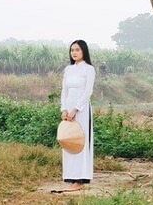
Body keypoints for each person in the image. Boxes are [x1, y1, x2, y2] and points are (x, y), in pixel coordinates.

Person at [59, 40, 96, 192]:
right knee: (68, 141)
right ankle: (70, 177)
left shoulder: (89, 69)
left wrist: (75, 109)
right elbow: (64, 91)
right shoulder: (68, 69)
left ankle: (80, 179)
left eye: (77, 50)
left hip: (81, 111)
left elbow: (88, 92)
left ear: (84, 52)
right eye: (72, 50)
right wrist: (64, 109)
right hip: (68, 111)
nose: (74, 53)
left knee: (80, 142)